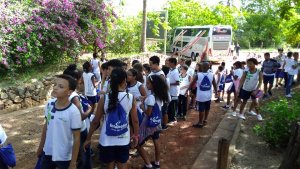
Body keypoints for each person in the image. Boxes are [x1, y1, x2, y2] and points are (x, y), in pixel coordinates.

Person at [83, 68, 139, 169]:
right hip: (123, 139)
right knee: (122, 164)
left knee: (110, 164)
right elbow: (135, 120)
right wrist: (136, 135)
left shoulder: (104, 98)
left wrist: (88, 138)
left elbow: (96, 121)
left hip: (107, 140)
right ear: (124, 81)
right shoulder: (130, 98)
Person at [37, 74, 81, 169]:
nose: (56, 88)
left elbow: (77, 138)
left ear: (69, 92)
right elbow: (46, 126)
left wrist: (73, 162)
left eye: (60, 86)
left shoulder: (73, 112)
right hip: (47, 151)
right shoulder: (49, 104)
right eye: (55, 85)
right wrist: (41, 146)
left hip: (64, 156)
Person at [63, 65, 92, 169]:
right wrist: (89, 110)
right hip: (80, 130)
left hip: (68, 130)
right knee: (83, 156)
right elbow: (80, 117)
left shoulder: (62, 94)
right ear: (77, 79)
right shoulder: (74, 97)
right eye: (81, 77)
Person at [138, 75, 169, 169]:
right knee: (156, 141)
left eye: (148, 83)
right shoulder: (159, 95)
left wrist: (142, 106)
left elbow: (148, 112)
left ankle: (148, 165)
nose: (146, 84)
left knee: (137, 144)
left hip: (148, 124)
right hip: (157, 123)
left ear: (153, 85)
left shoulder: (151, 97)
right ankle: (157, 163)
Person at [189, 62, 217, 128]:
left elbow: (192, 83)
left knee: (201, 109)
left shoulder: (198, 75)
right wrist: (216, 92)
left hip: (201, 96)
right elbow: (215, 84)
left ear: (202, 67)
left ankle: (200, 123)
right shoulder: (211, 74)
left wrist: (189, 89)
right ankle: (205, 120)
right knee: (207, 108)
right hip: (208, 95)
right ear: (208, 68)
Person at [167, 57, 180, 123]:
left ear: (172, 63)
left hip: (174, 92)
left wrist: (169, 84)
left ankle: (174, 118)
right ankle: (170, 118)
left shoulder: (175, 71)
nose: (168, 63)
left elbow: (178, 82)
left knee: (173, 105)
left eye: (169, 62)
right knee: (170, 105)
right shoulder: (170, 70)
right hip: (170, 91)